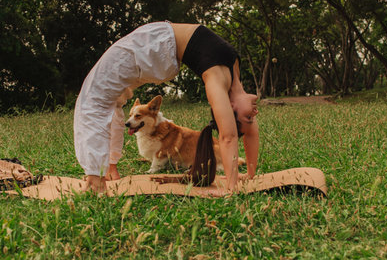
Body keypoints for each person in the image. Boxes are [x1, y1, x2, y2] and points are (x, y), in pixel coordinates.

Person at [74, 21, 259, 195]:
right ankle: (109, 168)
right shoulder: (234, 76)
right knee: (112, 97)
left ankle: (95, 178)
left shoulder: (218, 82)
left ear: (230, 107)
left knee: (92, 97)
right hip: (159, 45)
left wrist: (231, 187)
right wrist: (249, 174)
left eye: (248, 118)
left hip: (156, 44)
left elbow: (229, 136)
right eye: (251, 117)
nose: (255, 114)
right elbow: (250, 133)